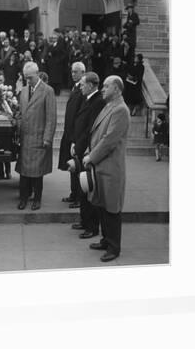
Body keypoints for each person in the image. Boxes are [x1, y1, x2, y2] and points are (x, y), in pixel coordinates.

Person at [82, 75, 130, 262]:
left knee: (111, 209)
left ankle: (114, 247)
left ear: (117, 89)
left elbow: (109, 140)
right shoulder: (109, 106)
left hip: (110, 168)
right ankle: (105, 240)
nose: (102, 89)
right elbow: (97, 135)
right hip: (101, 166)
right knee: (102, 205)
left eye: (106, 86)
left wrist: (90, 157)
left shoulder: (120, 110)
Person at [15, 62, 57, 210]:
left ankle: (37, 199)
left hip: (39, 138)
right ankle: (23, 199)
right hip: (25, 138)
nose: (28, 81)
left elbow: (51, 117)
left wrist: (47, 138)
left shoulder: (48, 91)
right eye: (26, 78)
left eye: (30, 77)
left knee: (37, 173)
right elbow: (20, 113)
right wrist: (17, 127)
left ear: (38, 74)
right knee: (24, 172)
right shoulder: (24, 91)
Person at [70, 72, 106, 238]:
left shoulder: (97, 101)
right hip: (81, 147)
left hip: (88, 149)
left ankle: (92, 227)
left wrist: (78, 147)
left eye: (83, 84)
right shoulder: (88, 98)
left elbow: (89, 128)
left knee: (89, 189)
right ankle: (85, 221)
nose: (81, 86)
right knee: (83, 188)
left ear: (91, 85)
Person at [58, 62, 86, 208]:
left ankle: (79, 197)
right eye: (72, 71)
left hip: (76, 136)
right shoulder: (76, 87)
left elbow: (80, 116)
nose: (73, 74)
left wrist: (75, 138)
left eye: (76, 72)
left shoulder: (82, 89)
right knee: (72, 167)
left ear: (83, 72)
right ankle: (73, 194)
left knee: (77, 167)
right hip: (69, 133)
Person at [0, 71, 11, 180]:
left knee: (7, 149)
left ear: (3, 80)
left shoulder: (8, 92)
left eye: (0, 80)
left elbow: (12, 109)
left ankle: (8, 172)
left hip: (7, 127)